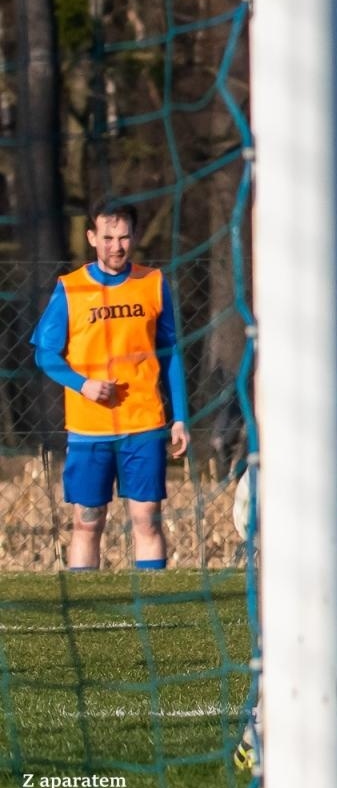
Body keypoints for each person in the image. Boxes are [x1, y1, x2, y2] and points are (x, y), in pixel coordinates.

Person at [30, 200, 190, 571]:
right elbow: (45, 354)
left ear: (134, 237)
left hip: (145, 424)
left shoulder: (153, 283)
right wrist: (82, 384)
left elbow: (171, 354)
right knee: (87, 522)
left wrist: (179, 417)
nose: (116, 246)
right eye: (107, 237)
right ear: (91, 238)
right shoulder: (70, 289)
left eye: (123, 237)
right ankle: (88, 611)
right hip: (90, 429)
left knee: (147, 520)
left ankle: (152, 610)